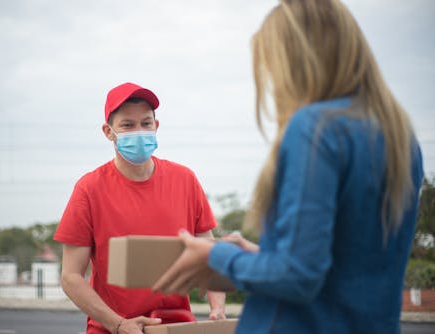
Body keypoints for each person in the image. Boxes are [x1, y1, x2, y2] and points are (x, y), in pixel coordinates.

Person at [152, 0, 425, 333]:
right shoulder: (399, 136)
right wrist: (260, 254)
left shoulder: (314, 128)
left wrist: (217, 258)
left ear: (296, 62)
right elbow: (341, 269)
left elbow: (299, 277)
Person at [54, 82, 226, 334]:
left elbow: (209, 257)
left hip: (176, 326)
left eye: (146, 123)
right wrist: (119, 324)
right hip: (111, 329)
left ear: (156, 127)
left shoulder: (185, 180)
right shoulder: (89, 189)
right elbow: (71, 277)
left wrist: (218, 308)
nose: (139, 131)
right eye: (127, 125)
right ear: (108, 131)